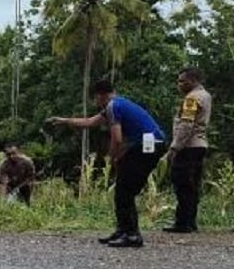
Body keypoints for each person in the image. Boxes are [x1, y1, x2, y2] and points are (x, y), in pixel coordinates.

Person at [48, 79, 166, 248]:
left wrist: (112, 158)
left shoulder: (113, 106)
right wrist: (65, 120)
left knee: (125, 191)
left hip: (149, 146)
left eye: (95, 98)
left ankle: (132, 235)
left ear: (100, 96)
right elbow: (90, 122)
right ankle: (123, 230)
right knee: (122, 189)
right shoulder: (118, 104)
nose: (96, 102)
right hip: (149, 145)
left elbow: (117, 139)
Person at [165, 68, 212, 233]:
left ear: (192, 81)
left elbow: (186, 124)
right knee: (193, 185)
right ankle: (190, 221)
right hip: (200, 145)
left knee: (182, 183)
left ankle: (182, 222)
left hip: (188, 147)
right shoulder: (205, 95)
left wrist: (175, 147)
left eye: (182, 81)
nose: (179, 85)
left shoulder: (192, 98)